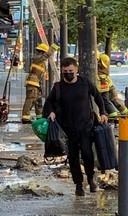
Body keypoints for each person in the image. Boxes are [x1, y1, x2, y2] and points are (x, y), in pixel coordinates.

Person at [43, 57, 108, 196]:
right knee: (73, 158)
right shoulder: (58, 87)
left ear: (76, 70)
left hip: (85, 126)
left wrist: (103, 112)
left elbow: (97, 96)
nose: (68, 73)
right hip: (68, 129)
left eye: (71, 71)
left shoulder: (85, 82)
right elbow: (49, 102)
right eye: (65, 71)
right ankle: (78, 184)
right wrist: (51, 112)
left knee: (87, 153)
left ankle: (90, 179)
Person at [21, 42, 59, 123]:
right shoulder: (38, 58)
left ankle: (40, 117)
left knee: (38, 101)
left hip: (36, 83)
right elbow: (47, 55)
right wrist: (55, 45)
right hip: (32, 83)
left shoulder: (41, 61)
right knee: (30, 100)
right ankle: (25, 117)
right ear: (42, 52)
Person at [96, 54, 128, 118]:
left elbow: (102, 85)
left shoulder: (100, 70)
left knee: (107, 101)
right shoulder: (103, 69)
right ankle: (124, 113)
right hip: (109, 86)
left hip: (106, 88)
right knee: (114, 99)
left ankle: (114, 115)